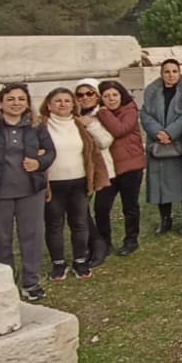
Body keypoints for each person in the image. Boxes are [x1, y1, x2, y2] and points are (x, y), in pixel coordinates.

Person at [0, 83, 55, 302]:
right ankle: (6, 282)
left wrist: (39, 162)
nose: (16, 103)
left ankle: (30, 282)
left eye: (21, 99)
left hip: (30, 191)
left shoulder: (36, 126)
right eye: (11, 99)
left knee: (32, 237)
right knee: (0, 240)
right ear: (1, 103)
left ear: (27, 103)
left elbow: (51, 151)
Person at [39, 88, 109, 281]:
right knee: (54, 224)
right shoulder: (40, 126)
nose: (63, 104)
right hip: (52, 183)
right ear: (49, 104)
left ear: (73, 105)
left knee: (79, 223)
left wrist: (97, 178)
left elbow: (95, 150)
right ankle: (58, 263)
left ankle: (80, 260)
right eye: (58, 101)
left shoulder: (79, 124)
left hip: (78, 181)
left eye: (67, 101)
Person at [140, 60, 182, 234]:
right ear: (161, 73)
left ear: (179, 73)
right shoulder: (152, 92)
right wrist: (158, 132)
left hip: (179, 143)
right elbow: (145, 114)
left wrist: (171, 133)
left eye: (174, 71)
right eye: (167, 72)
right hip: (158, 143)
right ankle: (165, 219)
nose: (171, 75)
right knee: (160, 184)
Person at [95, 80, 145, 256]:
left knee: (129, 206)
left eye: (114, 95)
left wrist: (103, 113)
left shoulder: (129, 110)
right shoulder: (99, 113)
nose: (111, 99)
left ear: (121, 95)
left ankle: (131, 239)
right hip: (109, 168)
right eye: (106, 96)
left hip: (130, 165)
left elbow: (119, 130)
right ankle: (104, 242)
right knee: (101, 207)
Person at [74, 78, 115, 267]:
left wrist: (90, 124)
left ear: (97, 96)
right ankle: (95, 243)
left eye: (89, 93)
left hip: (102, 168)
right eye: (80, 94)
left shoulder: (103, 114)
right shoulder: (72, 115)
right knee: (81, 210)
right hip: (79, 169)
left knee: (101, 209)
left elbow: (105, 141)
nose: (84, 98)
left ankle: (104, 244)